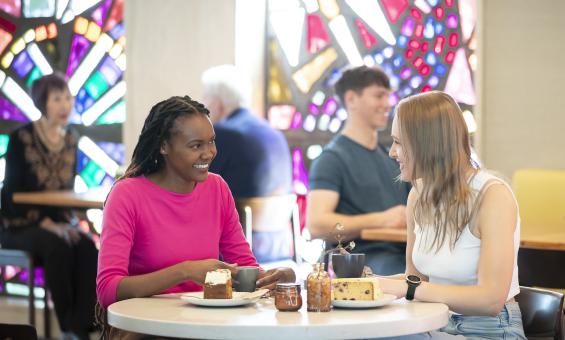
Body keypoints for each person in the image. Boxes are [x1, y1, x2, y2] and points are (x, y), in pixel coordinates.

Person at [96, 96, 295, 312]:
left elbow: (244, 269)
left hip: (206, 323)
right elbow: (108, 290)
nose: (209, 152)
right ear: (164, 146)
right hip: (148, 327)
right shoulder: (126, 195)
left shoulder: (217, 188)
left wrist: (276, 277)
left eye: (212, 141)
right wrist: (185, 271)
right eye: (196, 145)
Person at [378, 91, 526, 339]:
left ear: (428, 143)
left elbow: (491, 300)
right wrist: (367, 284)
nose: (392, 152)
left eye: (399, 142)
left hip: (489, 328)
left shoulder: (492, 195)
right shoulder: (417, 195)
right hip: (433, 323)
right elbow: (416, 279)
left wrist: (406, 287)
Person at [0, 73, 98, 340]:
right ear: (43, 102)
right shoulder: (22, 138)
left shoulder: (71, 140)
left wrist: (63, 224)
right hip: (18, 225)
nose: (65, 105)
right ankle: (68, 326)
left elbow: (65, 194)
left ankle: (84, 325)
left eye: (68, 97)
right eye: (57, 99)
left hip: (56, 223)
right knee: (58, 247)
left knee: (88, 246)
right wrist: (48, 225)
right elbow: (9, 195)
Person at [306, 66, 410, 275]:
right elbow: (316, 225)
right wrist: (383, 220)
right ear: (351, 99)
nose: (387, 104)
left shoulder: (391, 157)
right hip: (361, 258)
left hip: (403, 251)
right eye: (379, 95)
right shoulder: (332, 159)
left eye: (389, 96)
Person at [201, 65, 293, 263]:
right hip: (278, 245)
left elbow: (198, 188)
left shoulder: (222, 135)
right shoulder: (275, 134)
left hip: (238, 252)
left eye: (205, 99)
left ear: (217, 104)